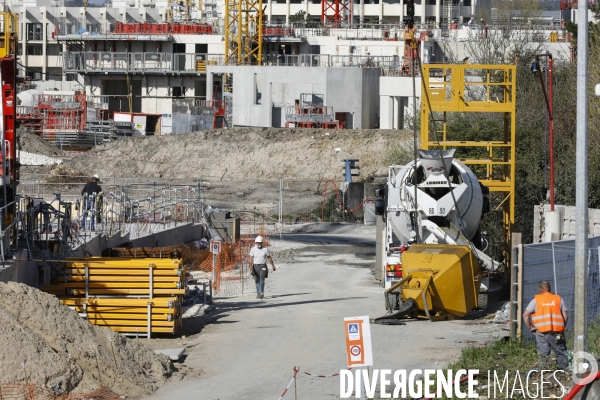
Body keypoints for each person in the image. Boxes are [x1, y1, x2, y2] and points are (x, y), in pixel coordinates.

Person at [523, 281, 569, 370]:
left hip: (541, 332)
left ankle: (543, 372)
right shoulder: (558, 299)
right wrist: (562, 327)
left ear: (540, 289)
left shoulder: (536, 300)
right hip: (557, 332)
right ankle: (565, 372)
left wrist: (531, 327)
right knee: (561, 352)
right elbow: (566, 316)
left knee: (543, 353)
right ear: (550, 289)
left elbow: (525, 315)